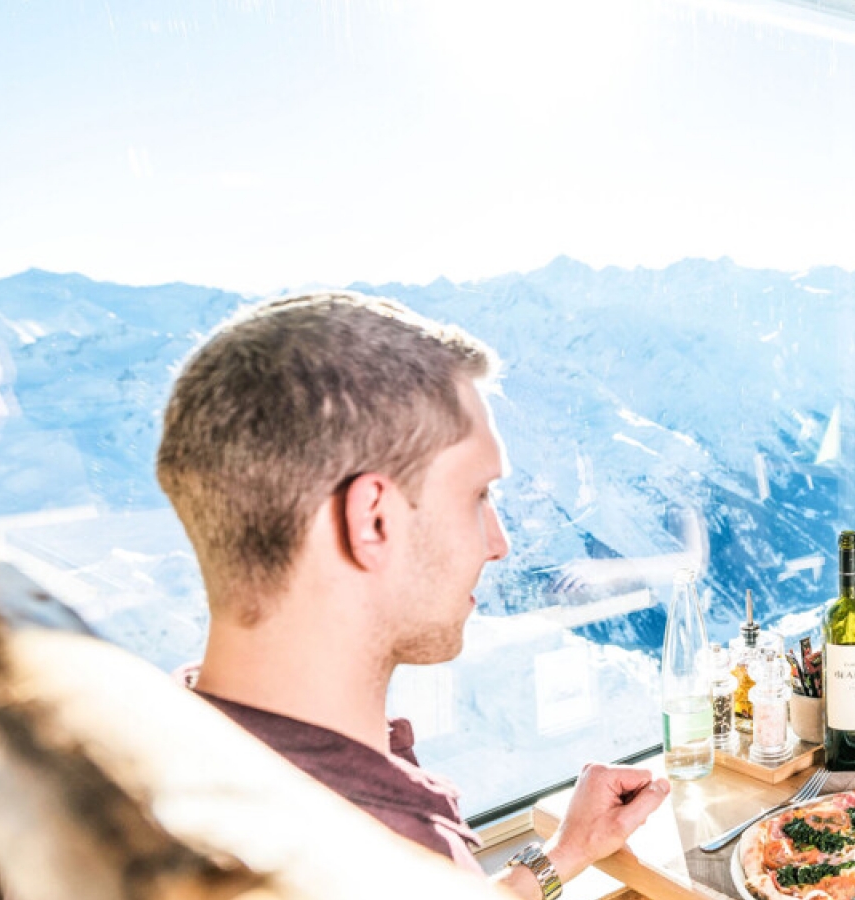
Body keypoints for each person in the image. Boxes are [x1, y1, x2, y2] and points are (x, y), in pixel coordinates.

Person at [156, 292, 669, 899]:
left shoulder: (181, 750)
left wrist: (567, 851)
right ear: (373, 522)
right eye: (478, 495)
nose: (498, 544)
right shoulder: (371, 855)